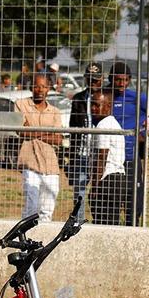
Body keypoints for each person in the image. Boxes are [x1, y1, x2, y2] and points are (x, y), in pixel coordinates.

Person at [108, 61, 149, 226]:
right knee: (110, 202)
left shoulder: (136, 98)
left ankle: (133, 227)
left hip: (131, 157)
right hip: (108, 158)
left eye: (125, 80)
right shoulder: (104, 97)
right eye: (118, 80)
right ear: (111, 79)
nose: (121, 84)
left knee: (133, 200)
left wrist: (145, 133)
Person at [15, 74, 65, 222]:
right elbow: (22, 131)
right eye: (37, 86)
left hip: (50, 164)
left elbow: (58, 139)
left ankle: (43, 239)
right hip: (29, 162)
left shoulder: (54, 111)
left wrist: (34, 131)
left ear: (48, 89)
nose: (39, 90)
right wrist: (47, 131)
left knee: (47, 208)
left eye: (43, 86)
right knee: (31, 205)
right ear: (31, 88)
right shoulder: (21, 104)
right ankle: (25, 237)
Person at [67, 63, 106, 212]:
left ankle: (100, 221)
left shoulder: (107, 96)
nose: (93, 83)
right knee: (79, 192)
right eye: (89, 79)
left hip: (102, 152)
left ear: (102, 79)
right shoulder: (79, 98)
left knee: (101, 191)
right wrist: (72, 155)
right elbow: (73, 128)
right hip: (82, 152)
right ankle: (77, 222)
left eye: (95, 80)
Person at [87, 91, 128, 226]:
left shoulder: (103, 124)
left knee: (103, 224)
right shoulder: (111, 123)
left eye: (97, 105)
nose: (93, 108)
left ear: (108, 106)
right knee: (111, 223)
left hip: (107, 179)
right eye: (92, 104)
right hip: (116, 178)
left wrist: (95, 186)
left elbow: (101, 156)